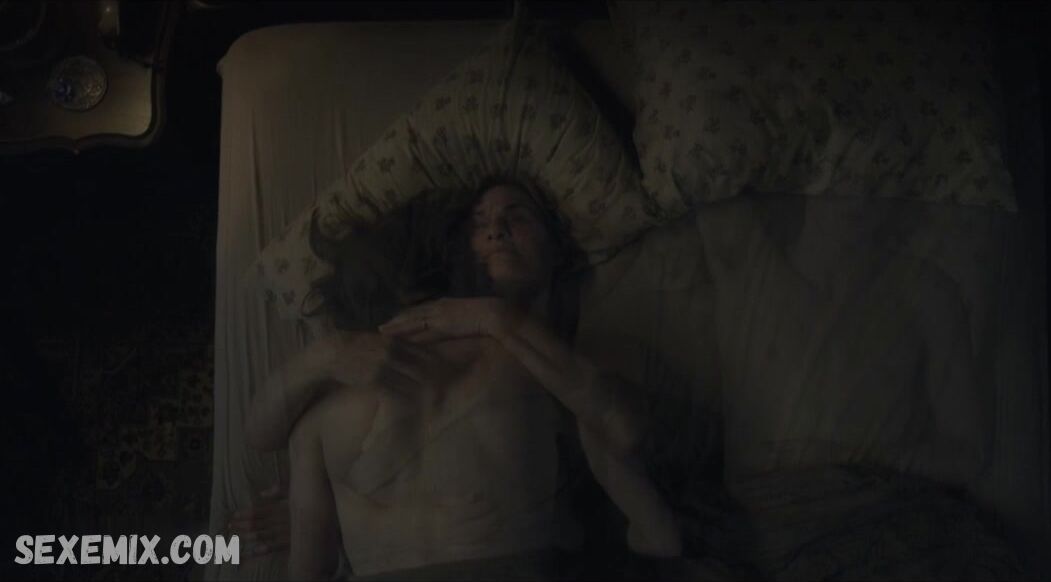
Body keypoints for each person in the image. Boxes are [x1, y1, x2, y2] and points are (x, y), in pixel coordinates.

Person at [241, 179, 683, 580]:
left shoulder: (569, 361)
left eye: (518, 216)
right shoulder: (538, 369)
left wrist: (498, 319)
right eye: (479, 224)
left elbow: (632, 449)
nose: (496, 232)